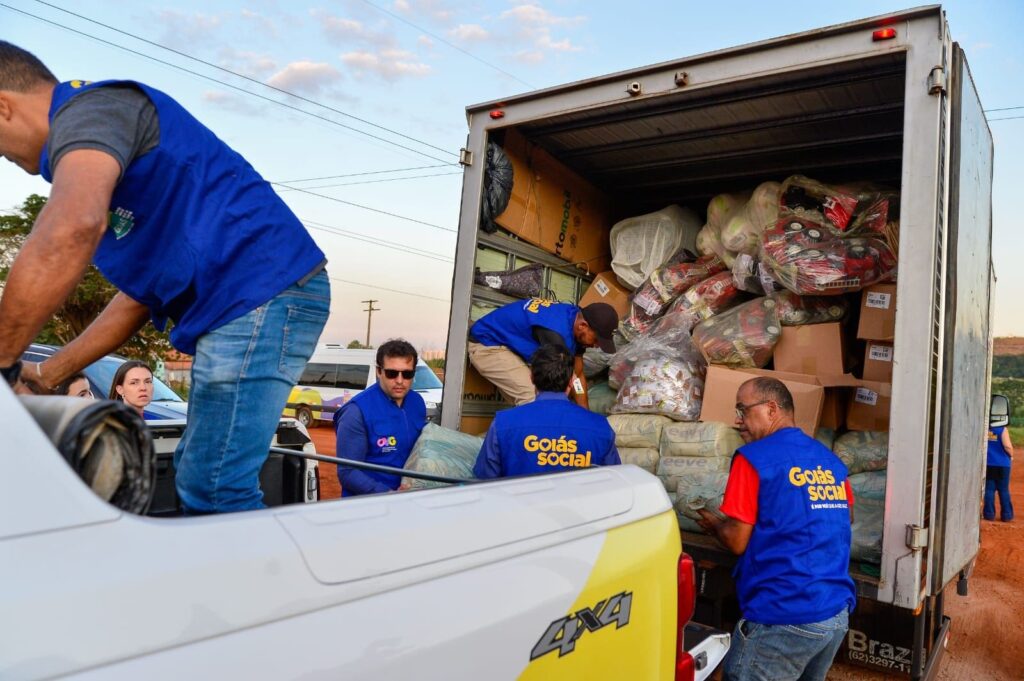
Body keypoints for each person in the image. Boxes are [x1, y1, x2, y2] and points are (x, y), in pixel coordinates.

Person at [0, 43, 330, 514]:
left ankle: (272, 584)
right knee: (203, 478)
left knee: (214, 485)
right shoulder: (115, 170)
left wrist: (4, 357)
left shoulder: (93, 110)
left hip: (262, 293)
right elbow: (134, 299)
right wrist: (44, 373)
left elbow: (71, 227)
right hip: (248, 301)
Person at [697, 377, 855, 681]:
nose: (737, 419)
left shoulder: (754, 458)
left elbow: (737, 541)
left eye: (742, 410)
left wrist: (715, 524)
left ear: (771, 409)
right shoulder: (829, 461)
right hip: (834, 614)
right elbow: (844, 518)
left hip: (784, 613)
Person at [473, 344, 619, 479]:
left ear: (531, 378)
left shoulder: (503, 423)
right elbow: (614, 483)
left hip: (519, 506)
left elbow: (484, 479)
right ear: (571, 382)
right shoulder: (600, 427)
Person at [468, 298, 618, 408]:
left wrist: (585, 415)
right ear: (583, 326)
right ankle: (533, 447)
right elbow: (562, 384)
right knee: (535, 399)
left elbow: (577, 375)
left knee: (536, 402)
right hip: (487, 344)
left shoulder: (575, 322)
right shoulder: (555, 334)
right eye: (597, 340)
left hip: (510, 346)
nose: (597, 346)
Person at [334, 339, 426, 497]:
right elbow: (348, 472)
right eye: (391, 373)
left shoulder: (417, 403)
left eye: (407, 374)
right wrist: (387, 494)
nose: (399, 380)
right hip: (367, 505)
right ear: (379, 371)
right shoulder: (356, 412)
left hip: (409, 500)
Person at [984, 419, 1014, 522]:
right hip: (1002, 464)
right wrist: (1011, 454)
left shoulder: (984, 427)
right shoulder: (1002, 428)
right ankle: (1007, 515)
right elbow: (1007, 446)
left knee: (989, 490)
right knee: (1003, 490)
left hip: (988, 463)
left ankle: (989, 514)